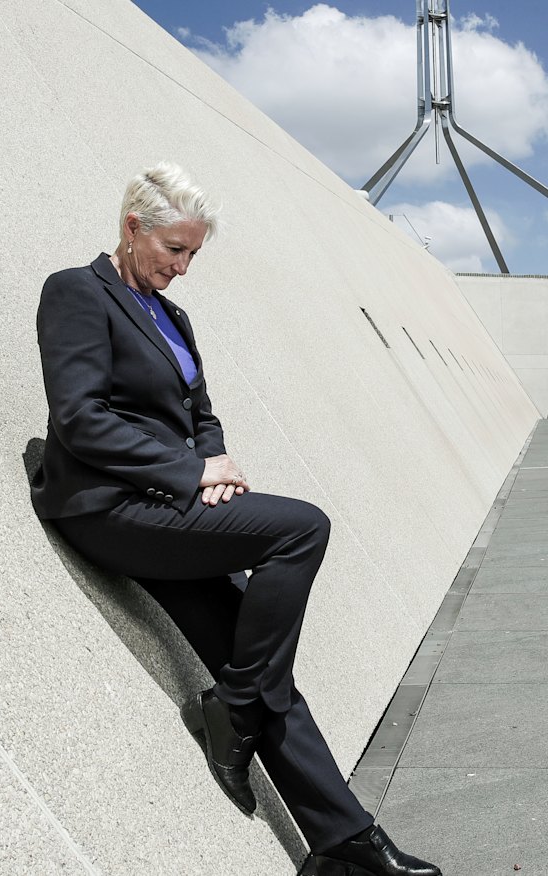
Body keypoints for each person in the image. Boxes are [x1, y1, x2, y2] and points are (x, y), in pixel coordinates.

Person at [32, 162, 441, 876]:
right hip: (107, 507)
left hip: (172, 510)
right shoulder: (76, 291)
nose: (183, 268)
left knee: (257, 660)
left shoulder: (173, 317)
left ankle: (345, 843)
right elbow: (79, 417)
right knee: (301, 527)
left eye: (193, 254)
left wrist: (216, 463)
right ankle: (237, 709)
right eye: (174, 250)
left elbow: (201, 413)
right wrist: (190, 472)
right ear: (133, 228)